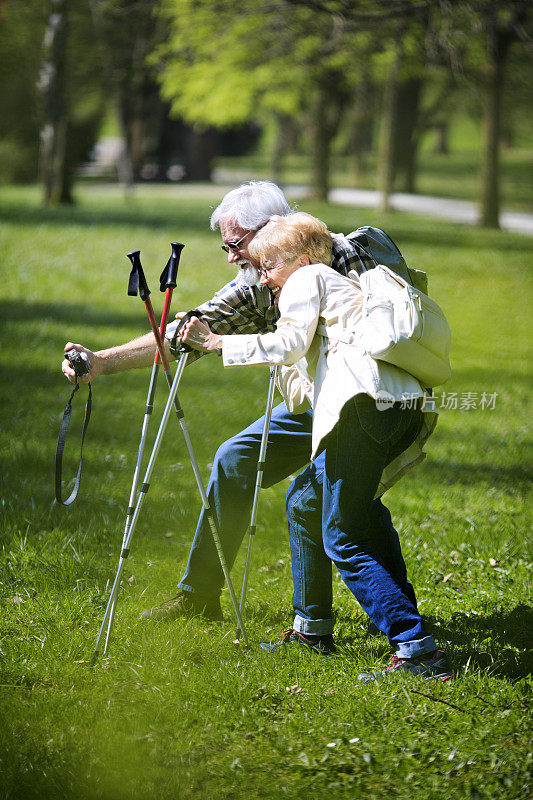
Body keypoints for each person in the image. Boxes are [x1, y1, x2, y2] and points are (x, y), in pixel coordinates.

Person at [61, 181, 409, 644]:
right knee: (234, 459)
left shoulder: (353, 255)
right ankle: (199, 596)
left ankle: (368, 621)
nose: (230, 258)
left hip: (371, 400)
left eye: (234, 245)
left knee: (329, 496)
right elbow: (186, 331)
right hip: (315, 400)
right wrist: (101, 363)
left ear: (273, 231)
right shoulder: (254, 284)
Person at [178, 212, 450, 682]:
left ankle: (416, 647)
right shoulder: (334, 290)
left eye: (268, 268)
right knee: (308, 500)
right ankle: (313, 629)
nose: (264, 281)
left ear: (301, 258)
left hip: (360, 409)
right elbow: (303, 389)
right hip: (395, 407)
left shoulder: (308, 277)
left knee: (343, 535)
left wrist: (216, 341)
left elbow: (286, 344)